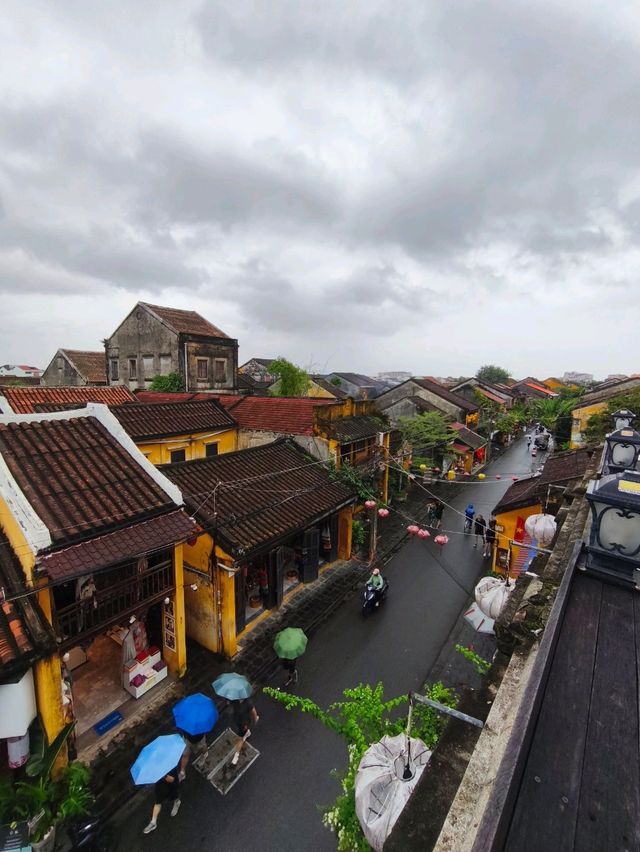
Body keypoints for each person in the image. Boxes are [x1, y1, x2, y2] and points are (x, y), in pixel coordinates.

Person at [143, 765, 181, 834]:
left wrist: (166, 776)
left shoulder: (169, 761)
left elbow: (172, 779)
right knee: (158, 800)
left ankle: (177, 801)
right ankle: (153, 822)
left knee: (173, 793)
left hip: (170, 777)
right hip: (160, 782)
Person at [230, 697, 259, 766]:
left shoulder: (237, 700)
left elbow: (253, 712)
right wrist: (255, 719)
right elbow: (254, 712)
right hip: (240, 722)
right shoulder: (247, 702)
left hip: (242, 723)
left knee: (240, 738)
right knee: (242, 734)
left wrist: (255, 718)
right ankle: (247, 733)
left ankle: (236, 756)